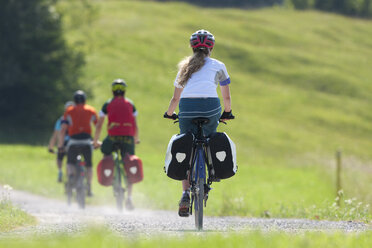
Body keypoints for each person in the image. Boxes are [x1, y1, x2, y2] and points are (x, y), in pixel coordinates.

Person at [164, 29, 234, 217]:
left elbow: (175, 98)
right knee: (210, 139)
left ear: (191, 47)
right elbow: (226, 95)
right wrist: (227, 112)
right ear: (211, 47)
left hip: (187, 109)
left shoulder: (184, 67)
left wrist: (169, 114)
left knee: (187, 144)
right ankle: (210, 173)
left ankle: (185, 193)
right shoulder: (219, 65)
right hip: (211, 107)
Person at [93, 79, 140, 210]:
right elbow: (135, 124)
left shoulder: (107, 104)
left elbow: (99, 125)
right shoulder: (131, 104)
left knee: (106, 153)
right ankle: (129, 198)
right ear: (124, 90)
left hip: (112, 138)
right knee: (129, 162)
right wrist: (136, 139)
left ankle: (110, 175)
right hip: (128, 138)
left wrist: (96, 141)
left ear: (112, 90)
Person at [58, 90, 98, 197]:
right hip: (87, 141)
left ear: (74, 101)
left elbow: (63, 130)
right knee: (89, 165)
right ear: (85, 100)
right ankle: (89, 186)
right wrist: (96, 141)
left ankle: (71, 176)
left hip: (73, 141)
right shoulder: (91, 110)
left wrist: (61, 145)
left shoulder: (69, 111)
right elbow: (97, 125)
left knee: (70, 163)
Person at [48, 101, 75, 182]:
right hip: (76, 141)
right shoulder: (77, 118)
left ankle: (60, 171)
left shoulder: (61, 120)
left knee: (60, 157)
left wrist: (51, 147)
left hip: (63, 143)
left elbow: (55, 135)